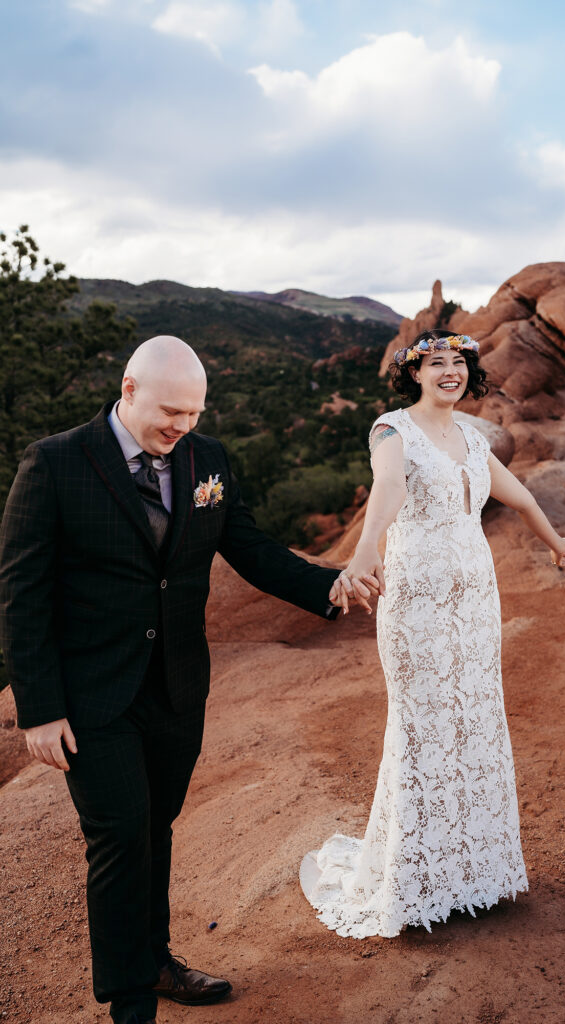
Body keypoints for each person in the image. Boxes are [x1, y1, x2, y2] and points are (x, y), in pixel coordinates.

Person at [0, 336, 371, 1024]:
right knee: (118, 833)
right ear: (129, 389)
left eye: (195, 414)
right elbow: (22, 593)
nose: (183, 427)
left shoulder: (209, 461)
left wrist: (332, 586)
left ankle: (157, 960)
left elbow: (253, 550)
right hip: (91, 696)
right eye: (172, 411)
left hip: (176, 688)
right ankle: (132, 1004)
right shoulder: (53, 464)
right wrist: (39, 708)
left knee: (157, 826)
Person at [301, 328, 565, 938]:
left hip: (475, 601)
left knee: (474, 716)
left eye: (459, 362)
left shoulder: (472, 440)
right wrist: (366, 550)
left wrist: (556, 543)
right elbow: (389, 490)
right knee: (423, 721)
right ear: (415, 373)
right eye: (436, 363)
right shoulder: (392, 429)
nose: (449, 370)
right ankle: (414, 875)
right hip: (418, 600)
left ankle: (474, 871)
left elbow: (520, 495)